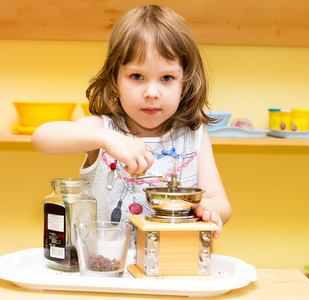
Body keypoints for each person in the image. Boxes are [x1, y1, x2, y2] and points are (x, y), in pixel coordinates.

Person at [32, 5, 231, 254]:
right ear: (115, 79)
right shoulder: (103, 130)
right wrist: (107, 138)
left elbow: (221, 202)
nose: (151, 92)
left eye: (167, 78)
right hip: (106, 269)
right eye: (137, 76)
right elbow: (41, 137)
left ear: (186, 82)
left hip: (174, 268)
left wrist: (211, 207)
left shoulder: (194, 136)